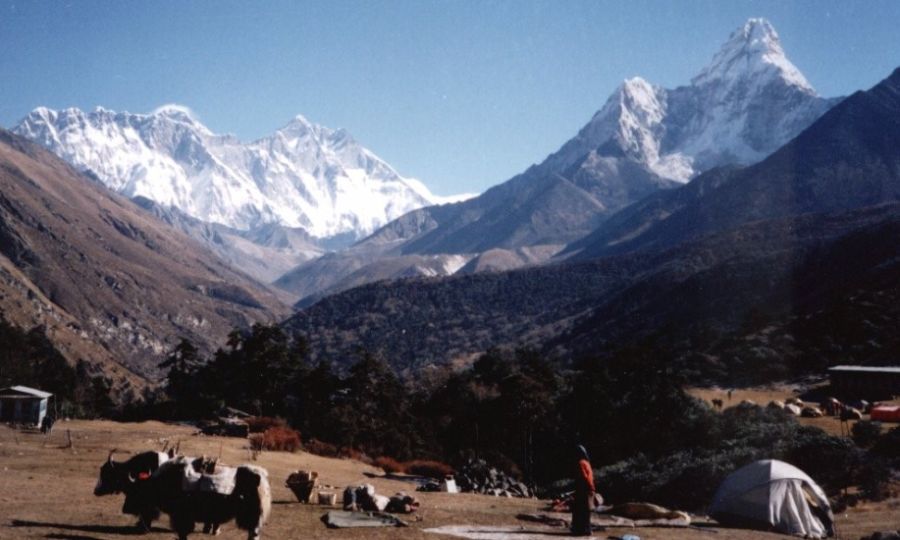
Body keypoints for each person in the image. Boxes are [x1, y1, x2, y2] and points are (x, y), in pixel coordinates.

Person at [571, 445, 595, 536]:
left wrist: (589, 488)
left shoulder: (581, 463)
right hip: (587, 489)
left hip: (583, 490)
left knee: (579, 510)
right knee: (586, 510)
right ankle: (586, 529)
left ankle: (580, 530)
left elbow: (585, 478)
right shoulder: (587, 463)